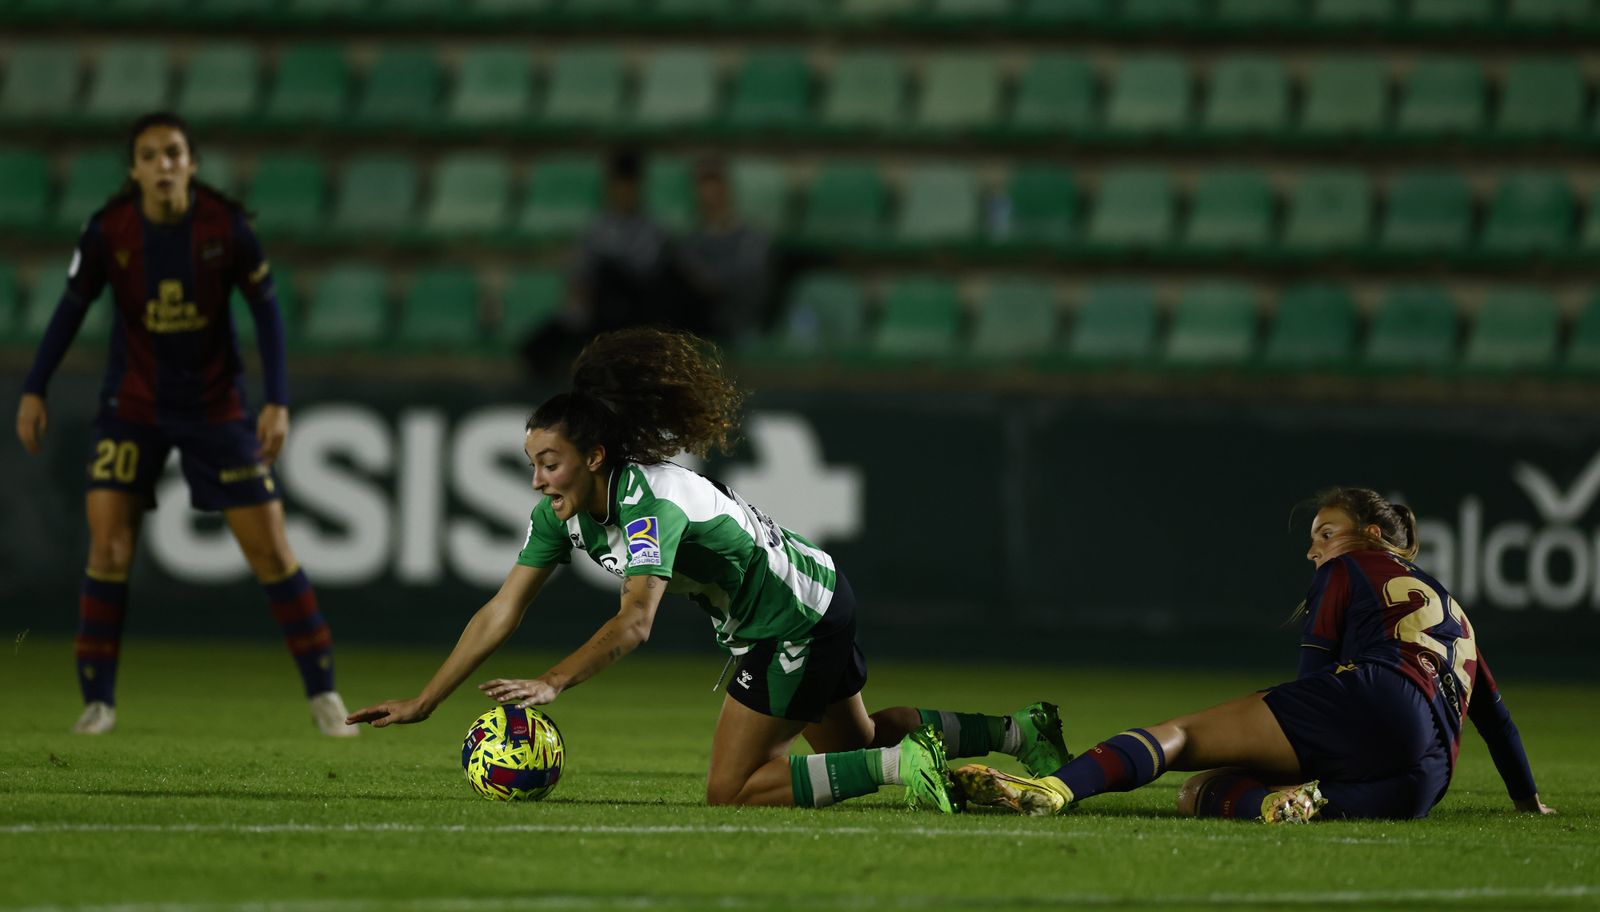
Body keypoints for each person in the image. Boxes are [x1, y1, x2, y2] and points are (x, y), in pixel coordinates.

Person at [348, 327, 1066, 810]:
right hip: (814, 591)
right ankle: (1019, 731)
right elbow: (501, 610)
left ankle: (907, 769)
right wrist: (426, 700)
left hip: (789, 616)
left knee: (733, 789)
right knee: (854, 738)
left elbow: (634, 624)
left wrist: (552, 680)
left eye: (549, 462)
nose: (537, 479)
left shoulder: (647, 502)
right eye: (531, 464)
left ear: (593, 457)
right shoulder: (564, 513)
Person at [14, 112, 354, 737]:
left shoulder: (226, 226)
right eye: (150, 155)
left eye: (173, 153)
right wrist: (34, 387)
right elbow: (69, 309)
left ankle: (324, 694)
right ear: (134, 169)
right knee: (109, 546)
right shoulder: (108, 231)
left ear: (191, 163)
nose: (163, 165)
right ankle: (97, 702)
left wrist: (276, 399)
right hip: (131, 406)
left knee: (271, 549)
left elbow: (268, 311)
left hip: (216, 407)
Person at [952, 487, 1554, 822]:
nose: (1315, 551)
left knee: (1181, 736)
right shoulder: (1456, 613)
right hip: (1426, 776)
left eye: (1325, 533)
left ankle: (1053, 790)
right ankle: (1284, 804)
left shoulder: (1350, 568)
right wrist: (1527, 800)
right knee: (1201, 794)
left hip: (1375, 699)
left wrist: (1301, 741)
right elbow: (1496, 718)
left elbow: (1312, 680)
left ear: (1371, 535)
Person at [675, 158, 773, 347]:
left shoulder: (752, 238)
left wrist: (714, 282)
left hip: (738, 318)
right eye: (704, 191)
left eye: (716, 191)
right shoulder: (690, 241)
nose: (710, 198)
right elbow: (696, 277)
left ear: (726, 191)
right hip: (702, 320)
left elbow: (752, 285)